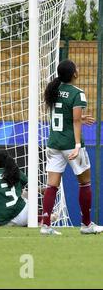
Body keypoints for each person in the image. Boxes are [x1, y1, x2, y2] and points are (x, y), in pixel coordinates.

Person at [41, 59, 102, 235]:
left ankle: (46, 225)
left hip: (54, 143)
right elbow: (75, 120)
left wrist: (80, 119)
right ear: (74, 73)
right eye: (77, 67)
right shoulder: (77, 93)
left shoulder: (52, 90)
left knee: (52, 185)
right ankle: (86, 224)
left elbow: (63, 115)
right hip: (71, 144)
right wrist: (77, 145)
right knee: (85, 182)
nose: (78, 68)